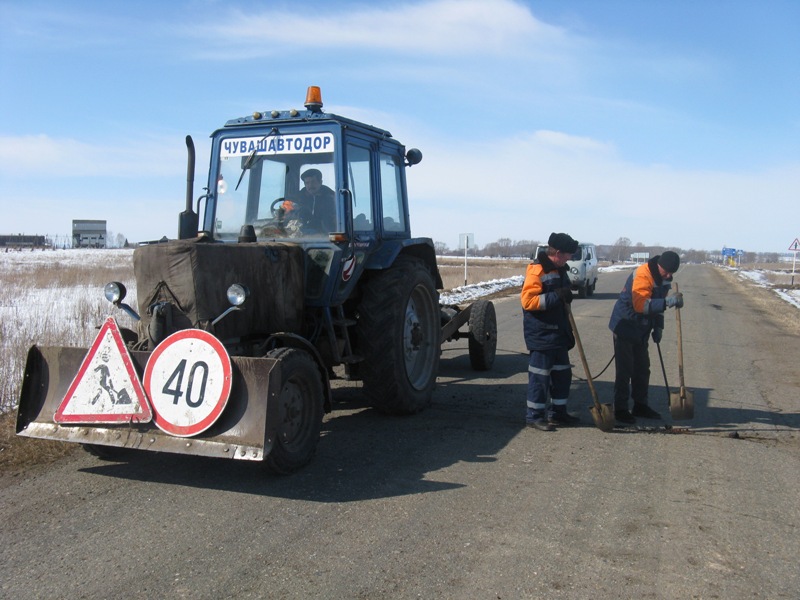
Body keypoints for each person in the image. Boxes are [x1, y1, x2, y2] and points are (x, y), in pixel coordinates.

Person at [608, 250, 684, 424]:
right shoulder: (643, 275)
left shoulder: (664, 280)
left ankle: (640, 405)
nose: (669, 275)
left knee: (642, 368)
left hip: (642, 328)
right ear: (659, 266)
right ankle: (620, 409)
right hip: (626, 325)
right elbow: (640, 305)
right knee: (625, 370)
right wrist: (668, 303)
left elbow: (658, 306)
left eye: (672, 273)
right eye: (667, 271)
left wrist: (658, 326)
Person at [520, 232, 581, 431]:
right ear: (558, 253)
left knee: (563, 374)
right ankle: (535, 416)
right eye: (568, 255)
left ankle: (558, 413)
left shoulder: (559, 269)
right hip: (542, 334)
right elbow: (528, 302)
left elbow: (562, 303)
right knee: (540, 377)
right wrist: (557, 295)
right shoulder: (537, 271)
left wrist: (567, 329)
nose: (570, 259)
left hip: (558, 333)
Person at [289, 168, 337, 232]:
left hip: (325, 236)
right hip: (301, 234)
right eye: (307, 183)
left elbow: (334, 221)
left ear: (320, 182)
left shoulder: (332, 198)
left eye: (313, 182)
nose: (310, 185)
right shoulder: (298, 198)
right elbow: (290, 215)